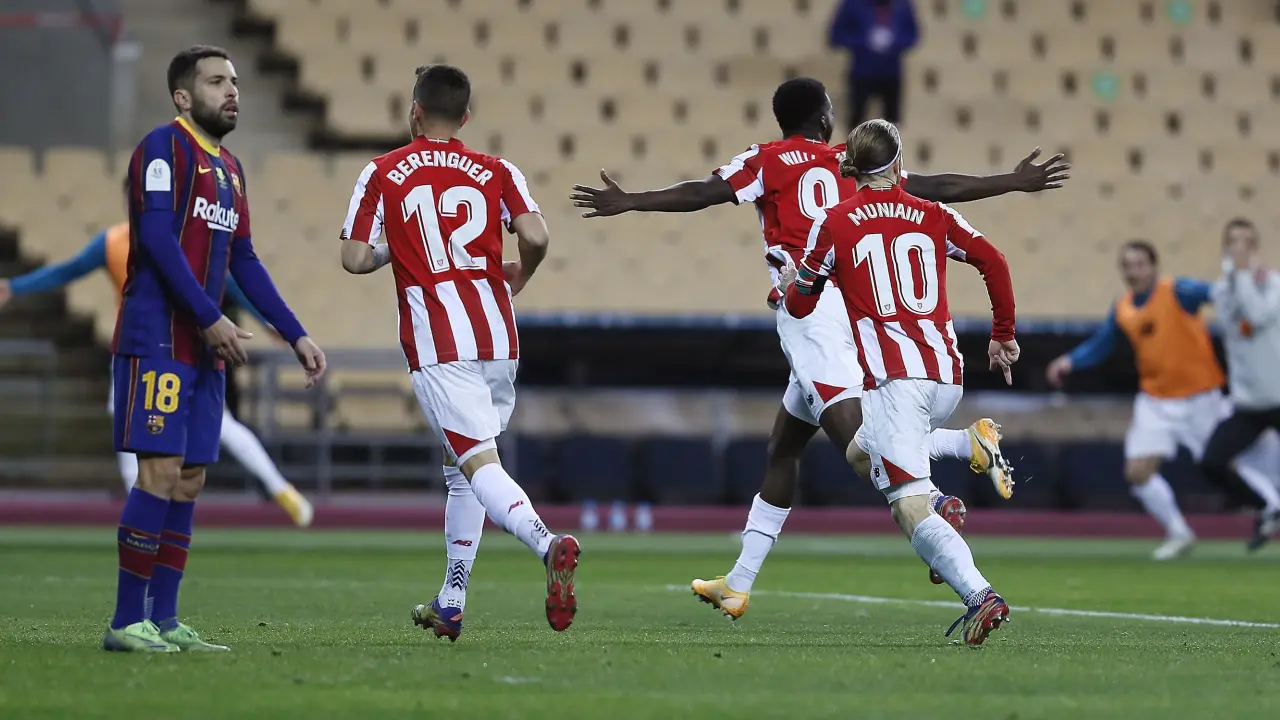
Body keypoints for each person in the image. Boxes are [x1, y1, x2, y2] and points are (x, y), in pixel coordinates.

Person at [571, 77, 1069, 618]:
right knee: (784, 447)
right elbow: (935, 186)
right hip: (852, 303)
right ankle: (738, 583)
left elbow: (700, 194)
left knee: (859, 448)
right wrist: (1012, 182)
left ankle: (944, 480)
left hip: (810, 307)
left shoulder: (766, 160)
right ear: (824, 117)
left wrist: (631, 202)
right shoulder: (849, 162)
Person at [340, 64, 579, 642]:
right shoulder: (498, 170)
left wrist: (395, 250)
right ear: (466, 116)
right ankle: (451, 600)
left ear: (414, 111)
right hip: (497, 334)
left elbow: (354, 257)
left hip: (439, 339)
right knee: (461, 467)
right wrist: (523, 272)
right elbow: (537, 236)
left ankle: (548, 544)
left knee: (479, 464)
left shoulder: (383, 171)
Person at [104, 45, 326, 653]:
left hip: (206, 348)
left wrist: (294, 331)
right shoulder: (162, 149)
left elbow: (243, 259)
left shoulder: (230, 169)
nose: (231, 91)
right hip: (159, 337)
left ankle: (165, 619)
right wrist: (208, 317)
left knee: (190, 479)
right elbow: (155, 238)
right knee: (158, 471)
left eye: (234, 81)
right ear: (183, 96)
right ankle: (125, 622)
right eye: (215, 82)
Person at [782, 119, 1016, 646]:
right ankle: (966, 448)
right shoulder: (934, 213)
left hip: (896, 381)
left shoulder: (833, 222)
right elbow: (994, 261)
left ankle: (980, 594)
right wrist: (1003, 334)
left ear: (854, 167)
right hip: (946, 374)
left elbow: (799, 305)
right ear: (898, 163)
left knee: (908, 507)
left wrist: (793, 283)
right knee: (860, 453)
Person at [0, 221, 315, 527]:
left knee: (144, 421)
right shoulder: (142, 241)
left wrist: (266, 319)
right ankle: (276, 488)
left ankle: (143, 506)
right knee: (207, 423)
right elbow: (228, 279)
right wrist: (267, 319)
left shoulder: (131, 241)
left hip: (157, 346)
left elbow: (66, 271)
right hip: (166, 345)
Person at [1046, 240, 1280, 559]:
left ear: (1154, 267)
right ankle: (1179, 532)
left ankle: (1270, 507)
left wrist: (1252, 286)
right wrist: (1070, 361)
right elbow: (1103, 342)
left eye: (1139, 264)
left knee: (1224, 462)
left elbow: (1217, 293)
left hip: (1200, 399)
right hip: (1156, 400)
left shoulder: (1178, 291)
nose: (1133, 271)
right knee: (1137, 471)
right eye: (1127, 265)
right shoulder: (1124, 307)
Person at [1202, 218, 1280, 550]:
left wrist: (1245, 274)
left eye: (1246, 241)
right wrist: (1237, 277)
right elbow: (1238, 321)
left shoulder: (1273, 284)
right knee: (1211, 462)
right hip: (1248, 403)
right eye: (1233, 241)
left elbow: (1258, 316)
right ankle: (1266, 508)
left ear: (1255, 247)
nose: (1240, 247)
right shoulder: (1223, 290)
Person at [828, 0, 919, 126]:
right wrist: (865, 41)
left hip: (892, 73)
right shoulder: (852, 3)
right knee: (856, 121)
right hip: (861, 73)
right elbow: (835, 36)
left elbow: (913, 35)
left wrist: (894, 42)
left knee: (892, 124)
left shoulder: (903, 4)